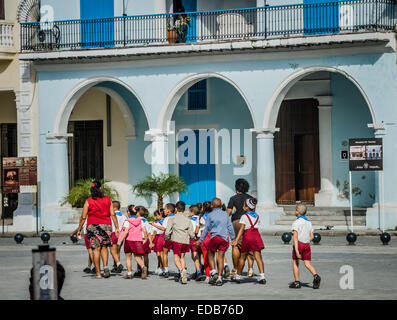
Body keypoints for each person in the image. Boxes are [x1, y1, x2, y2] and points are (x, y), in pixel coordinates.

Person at [71, 180, 120, 279]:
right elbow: (113, 214)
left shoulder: (88, 201)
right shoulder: (107, 199)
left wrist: (79, 229)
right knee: (104, 247)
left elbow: (83, 217)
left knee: (95, 249)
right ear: (100, 188)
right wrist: (117, 227)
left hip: (92, 226)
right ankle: (105, 267)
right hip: (106, 225)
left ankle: (98, 273)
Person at [197, 198, 236, 286]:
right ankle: (219, 278)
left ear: (212, 206)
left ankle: (213, 271)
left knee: (210, 254)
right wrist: (233, 239)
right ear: (221, 205)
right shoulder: (225, 214)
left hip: (214, 237)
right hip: (224, 238)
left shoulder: (210, 215)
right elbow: (230, 227)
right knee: (221, 257)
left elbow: (206, 229)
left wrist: (200, 240)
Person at [232, 198, 266, 284]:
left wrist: (236, 240)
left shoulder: (244, 216)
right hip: (256, 236)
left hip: (248, 236)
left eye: (244, 205)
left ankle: (238, 276)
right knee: (258, 257)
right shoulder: (257, 216)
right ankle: (262, 276)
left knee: (243, 257)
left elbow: (241, 229)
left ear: (246, 207)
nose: (243, 206)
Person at [226, 178, 255, 280]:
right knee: (249, 246)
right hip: (249, 223)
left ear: (236, 187)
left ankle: (235, 268)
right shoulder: (251, 198)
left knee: (236, 245)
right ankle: (250, 268)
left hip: (236, 222)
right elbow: (253, 213)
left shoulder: (233, 198)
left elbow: (228, 213)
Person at [289, 204, 321, 289]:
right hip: (307, 245)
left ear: (297, 212)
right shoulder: (308, 223)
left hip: (299, 244)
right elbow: (312, 237)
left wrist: (296, 250)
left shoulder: (296, 222)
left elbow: (295, 238)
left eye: (295, 210)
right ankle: (316, 276)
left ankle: (297, 282)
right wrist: (306, 241)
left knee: (296, 263)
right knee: (307, 263)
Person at [165, 201, 195, 284]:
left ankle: (181, 271)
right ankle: (184, 270)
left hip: (176, 240)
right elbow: (191, 233)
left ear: (175, 209)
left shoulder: (172, 219)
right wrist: (194, 238)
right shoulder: (188, 220)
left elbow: (167, 232)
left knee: (176, 257)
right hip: (185, 241)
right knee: (182, 257)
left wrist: (167, 238)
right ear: (184, 209)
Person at [117, 205, 148, 280]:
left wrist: (120, 240)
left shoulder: (127, 221)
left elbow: (126, 231)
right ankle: (143, 267)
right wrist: (145, 239)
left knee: (128, 257)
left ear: (128, 212)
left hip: (129, 241)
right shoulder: (140, 221)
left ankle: (129, 274)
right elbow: (144, 230)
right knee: (137, 257)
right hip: (138, 240)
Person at [195, 201, 212, 282]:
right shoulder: (213, 216)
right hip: (213, 236)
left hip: (204, 237)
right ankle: (215, 273)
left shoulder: (200, 217)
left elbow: (198, 228)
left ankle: (208, 276)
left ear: (203, 208)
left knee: (205, 257)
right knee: (213, 257)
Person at [110, 200, 125, 273]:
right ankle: (116, 266)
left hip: (113, 233)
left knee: (113, 251)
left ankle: (116, 265)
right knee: (118, 251)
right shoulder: (124, 216)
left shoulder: (111, 215)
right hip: (121, 235)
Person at [188, 205, 202, 280]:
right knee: (199, 254)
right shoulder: (200, 218)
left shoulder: (191, 220)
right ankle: (198, 270)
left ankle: (199, 271)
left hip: (194, 238)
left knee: (194, 255)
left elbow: (191, 230)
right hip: (201, 237)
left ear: (192, 212)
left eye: (189, 211)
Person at [151, 209, 165, 275]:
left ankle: (161, 267)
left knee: (159, 254)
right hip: (163, 237)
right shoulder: (165, 221)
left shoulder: (156, 223)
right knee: (161, 253)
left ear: (161, 215)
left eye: (156, 216)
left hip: (158, 237)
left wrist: (151, 241)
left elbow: (154, 233)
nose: (155, 217)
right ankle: (159, 266)